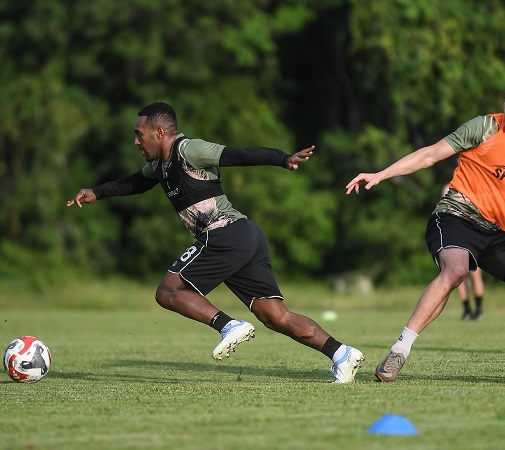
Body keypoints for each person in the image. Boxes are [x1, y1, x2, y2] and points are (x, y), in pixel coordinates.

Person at [67, 102, 364, 383]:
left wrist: (282, 159)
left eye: (139, 134)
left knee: (167, 291)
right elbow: (135, 182)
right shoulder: (159, 166)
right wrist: (98, 192)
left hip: (226, 234)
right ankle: (342, 354)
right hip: (244, 238)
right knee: (274, 316)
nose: (136, 142)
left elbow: (239, 154)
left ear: (159, 132)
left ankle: (228, 325)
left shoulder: (189, 149)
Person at [346, 74, 505, 383]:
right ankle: (400, 350)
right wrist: (381, 174)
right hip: (455, 216)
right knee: (455, 271)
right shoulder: (485, 126)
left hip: (494, 232)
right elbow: (430, 154)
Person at [441, 183, 485, 320]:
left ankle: (469, 310)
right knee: (472, 275)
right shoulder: (475, 186)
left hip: (457, 234)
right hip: (472, 233)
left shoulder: (448, 188)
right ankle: (476, 310)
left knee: (460, 275)